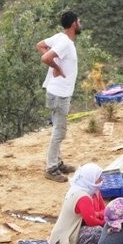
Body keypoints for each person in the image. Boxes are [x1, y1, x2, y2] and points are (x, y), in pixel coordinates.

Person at [36, 11, 81, 182]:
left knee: (58, 128)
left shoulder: (60, 38)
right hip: (60, 93)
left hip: (57, 91)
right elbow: (45, 56)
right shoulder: (65, 43)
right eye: (79, 21)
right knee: (59, 131)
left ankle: (58, 162)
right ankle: (51, 168)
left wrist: (55, 64)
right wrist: (55, 66)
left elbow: (40, 45)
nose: (80, 24)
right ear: (74, 24)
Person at [47, 163, 106, 244]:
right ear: (90, 178)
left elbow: (103, 211)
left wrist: (98, 214)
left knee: (103, 229)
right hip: (63, 239)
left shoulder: (93, 191)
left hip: (76, 230)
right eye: (98, 177)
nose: (102, 179)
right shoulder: (83, 197)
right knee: (97, 232)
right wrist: (105, 221)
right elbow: (92, 222)